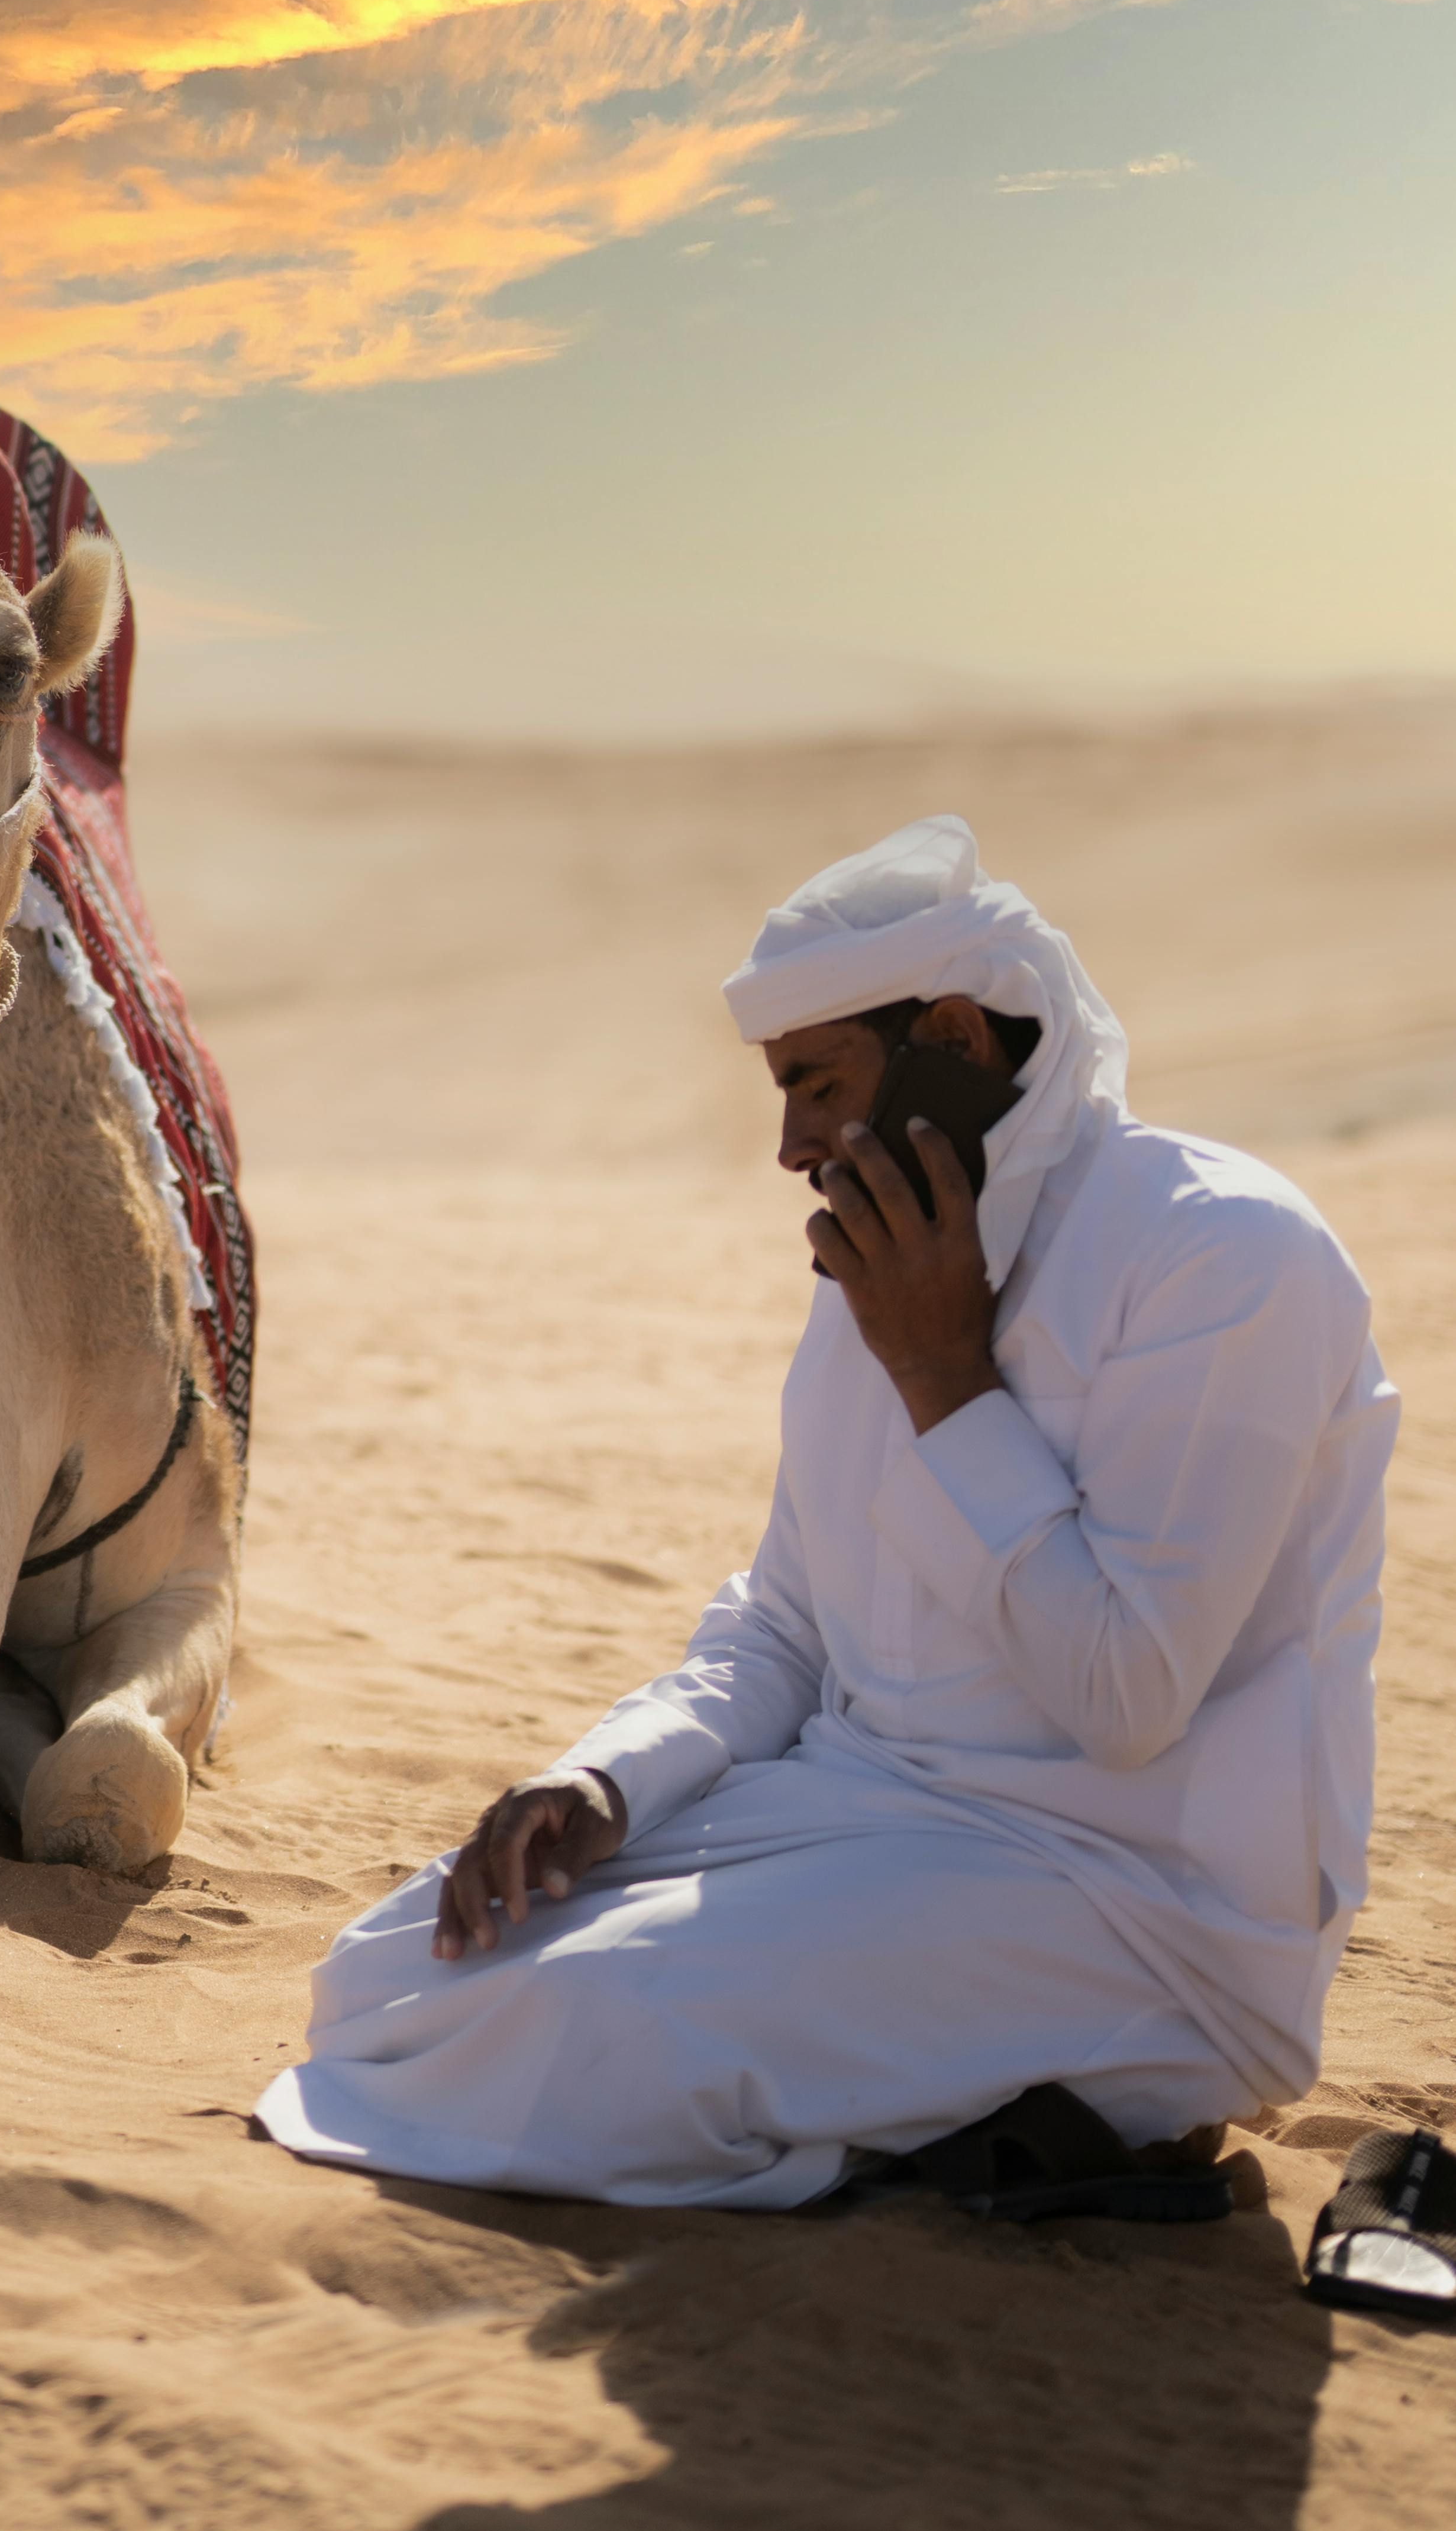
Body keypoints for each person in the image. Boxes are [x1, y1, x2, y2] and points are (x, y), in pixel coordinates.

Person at [257, 815, 1394, 2210]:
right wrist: (610, 1777)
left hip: (1136, 1897)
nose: (791, 1145)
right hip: (869, 1811)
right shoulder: (883, 1268)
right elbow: (786, 1626)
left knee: (597, 2026)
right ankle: (913, 2108)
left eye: (816, 1084)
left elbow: (1126, 1696)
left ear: (958, 1047)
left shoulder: (1221, 1253)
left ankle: (1062, 2106)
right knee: (396, 1966)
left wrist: (943, 1373)